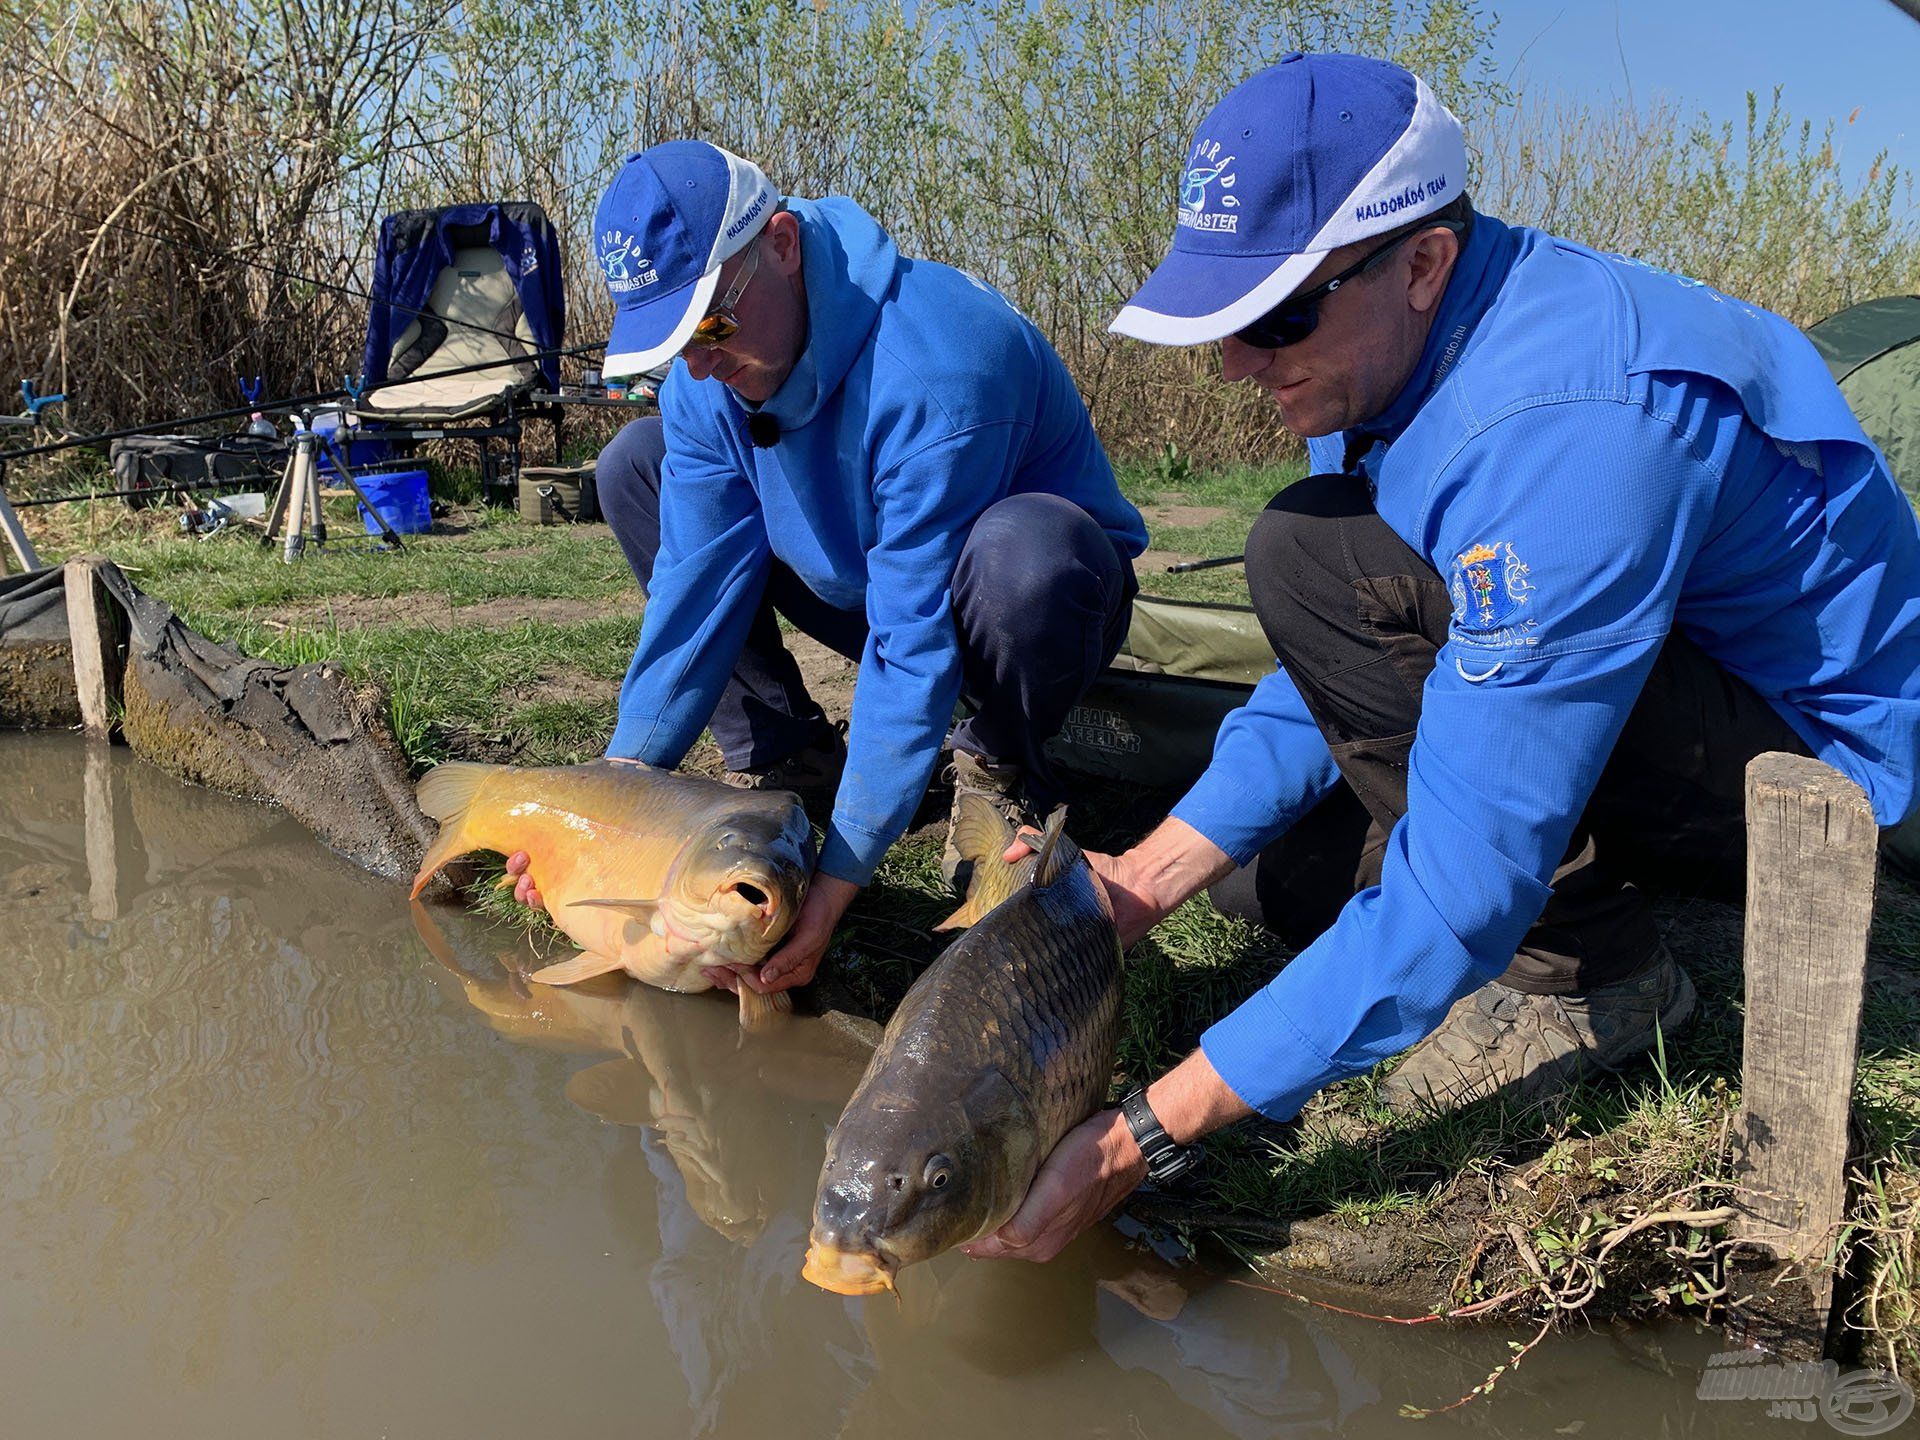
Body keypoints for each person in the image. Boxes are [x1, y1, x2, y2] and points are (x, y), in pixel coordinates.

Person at [964, 51, 1920, 1264]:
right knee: (1278, 880)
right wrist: (1144, 881)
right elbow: (1327, 665)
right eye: (1221, 319)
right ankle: (1509, 922)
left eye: (1276, 316)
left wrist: (1139, 1135)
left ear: (1423, 261)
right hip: (1628, 683)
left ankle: (1597, 973)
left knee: (1307, 562)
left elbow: (1457, 857)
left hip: (1808, 784)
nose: (1235, 366)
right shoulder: (1392, 362)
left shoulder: (1566, 431)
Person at [509, 140, 1146, 993]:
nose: (698, 362)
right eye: (672, 342)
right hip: (854, 584)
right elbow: (696, 585)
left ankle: (997, 767)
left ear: (780, 243)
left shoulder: (940, 367)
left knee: (1023, 558)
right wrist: (610, 789)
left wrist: (838, 877)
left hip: (1023, 603)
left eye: (710, 324)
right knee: (636, 463)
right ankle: (787, 752)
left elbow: (911, 642)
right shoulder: (706, 378)